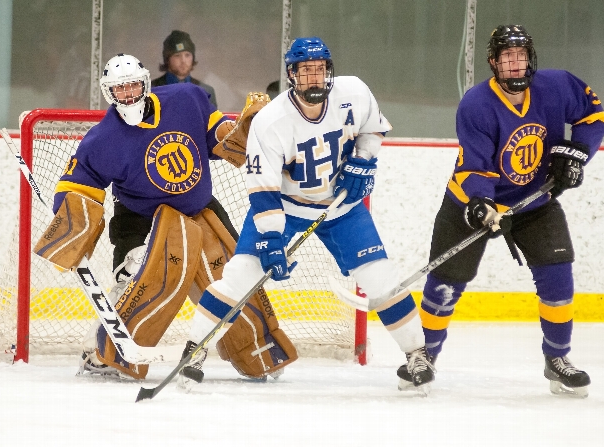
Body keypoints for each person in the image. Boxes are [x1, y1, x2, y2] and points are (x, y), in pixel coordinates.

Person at [177, 36, 434, 395]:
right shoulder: (271, 122)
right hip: (285, 207)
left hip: (342, 208)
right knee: (238, 277)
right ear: (292, 75)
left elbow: (371, 129)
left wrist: (362, 161)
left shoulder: (354, 92)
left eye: (320, 70)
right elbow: (263, 189)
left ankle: (417, 355)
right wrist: (269, 238)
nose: (314, 77)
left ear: (329, 72)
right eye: (305, 71)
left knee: (381, 280)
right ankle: (194, 351)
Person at [33, 53, 298, 381]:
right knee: (133, 279)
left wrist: (246, 134)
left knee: (230, 275)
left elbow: (217, 137)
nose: (128, 95)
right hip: (140, 216)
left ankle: (255, 349)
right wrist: (70, 215)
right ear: (108, 93)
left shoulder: (186, 99)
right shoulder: (103, 139)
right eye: (120, 89)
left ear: (145, 84)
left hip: (199, 206)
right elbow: (78, 184)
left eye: (132, 86)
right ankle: (100, 353)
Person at [418, 25, 604, 398]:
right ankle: (425, 355)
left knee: (558, 278)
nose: (515, 65)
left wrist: (577, 154)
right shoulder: (476, 104)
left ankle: (557, 359)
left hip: (534, 201)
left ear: (530, 59)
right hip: (470, 203)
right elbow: (474, 165)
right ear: (493, 62)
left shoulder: (557, 86)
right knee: (445, 284)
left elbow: (593, 116)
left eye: (521, 56)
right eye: (507, 58)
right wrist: (482, 202)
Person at [151, 30, 217, 108]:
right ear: (167, 59)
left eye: (187, 55)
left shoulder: (206, 92)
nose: (183, 61)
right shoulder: (153, 90)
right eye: (177, 55)